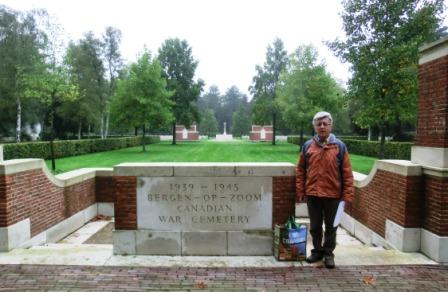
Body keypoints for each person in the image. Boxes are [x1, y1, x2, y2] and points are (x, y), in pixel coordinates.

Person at [295, 111, 354, 269]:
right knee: (315, 226)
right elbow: (300, 170)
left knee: (331, 227)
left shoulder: (339, 146)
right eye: (318, 124)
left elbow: (347, 173)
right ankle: (317, 251)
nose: (322, 126)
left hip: (333, 195)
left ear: (330, 125)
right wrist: (301, 191)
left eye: (325, 124)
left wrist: (347, 194)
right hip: (313, 194)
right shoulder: (308, 146)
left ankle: (328, 254)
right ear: (314, 126)